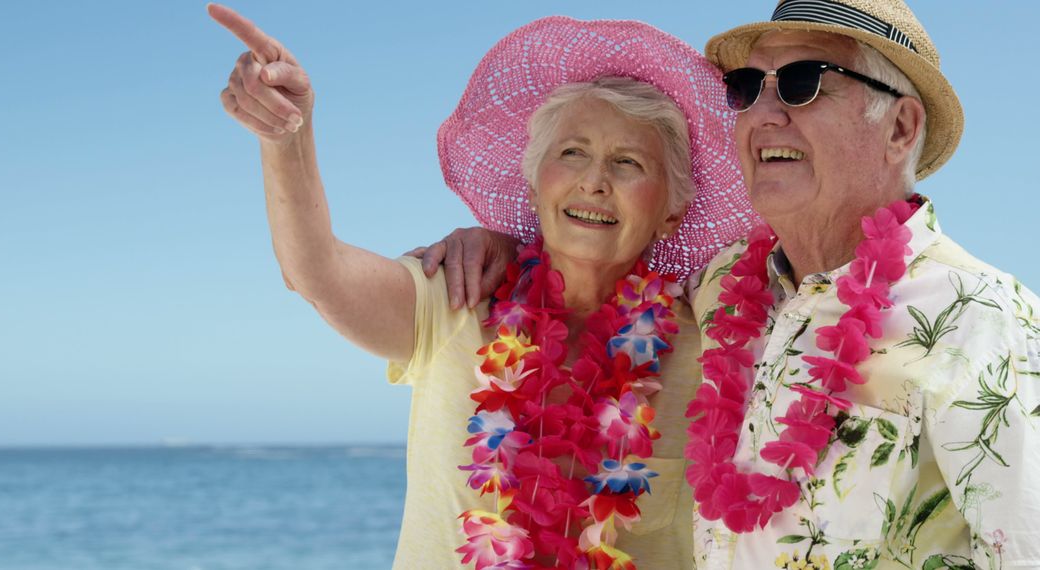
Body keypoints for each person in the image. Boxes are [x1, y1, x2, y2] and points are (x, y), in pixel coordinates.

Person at [419, 1, 1040, 568]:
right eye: (747, 88)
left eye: (803, 83)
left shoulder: (983, 316)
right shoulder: (722, 286)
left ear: (901, 127)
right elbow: (605, 246)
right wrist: (502, 242)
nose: (763, 114)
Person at [208, 5, 757, 568]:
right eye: (572, 153)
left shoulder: (716, 353)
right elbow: (316, 272)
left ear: (672, 212)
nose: (594, 181)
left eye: (628, 162)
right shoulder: (457, 297)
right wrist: (286, 139)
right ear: (535, 180)